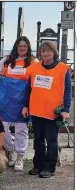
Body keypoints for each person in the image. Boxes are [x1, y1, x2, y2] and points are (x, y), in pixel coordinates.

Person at [22, 41, 72, 178]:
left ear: (54, 52)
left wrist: (66, 109)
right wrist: (26, 105)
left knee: (51, 140)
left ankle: (49, 167)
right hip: (37, 110)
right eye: (43, 51)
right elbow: (28, 89)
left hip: (53, 111)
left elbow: (68, 91)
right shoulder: (34, 67)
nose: (45, 53)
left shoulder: (63, 69)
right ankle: (38, 165)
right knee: (38, 140)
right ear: (40, 53)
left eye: (48, 51)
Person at [0, 36, 37, 171]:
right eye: (20, 46)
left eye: (25, 46)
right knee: (2, 128)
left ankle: (20, 156)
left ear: (28, 48)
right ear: (16, 47)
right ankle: (10, 151)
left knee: (21, 130)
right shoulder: (7, 60)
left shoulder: (34, 62)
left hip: (23, 101)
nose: (22, 48)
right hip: (6, 101)